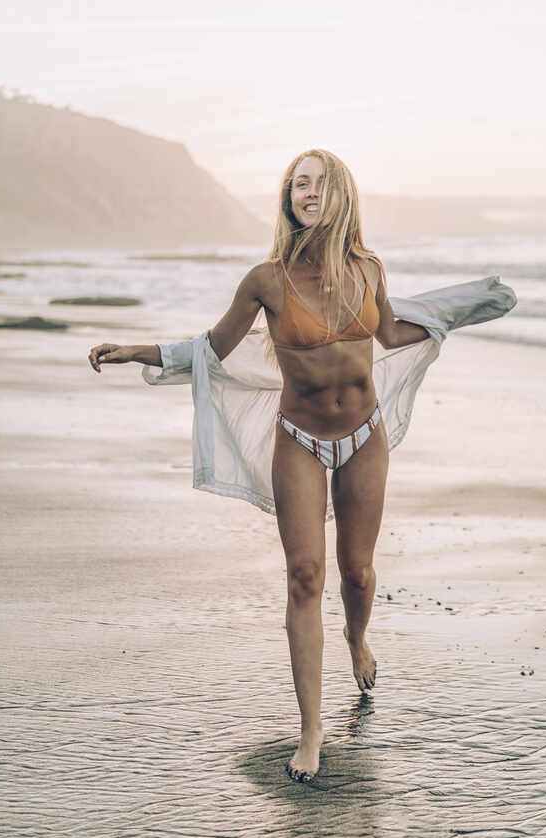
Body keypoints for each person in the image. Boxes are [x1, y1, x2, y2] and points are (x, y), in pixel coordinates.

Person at [89, 148, 517, 784]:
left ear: (340, 192)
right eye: (297, 185)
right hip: (300, 440)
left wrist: (458, 310)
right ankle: (311, 728)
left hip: (364, 436)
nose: (305, 193)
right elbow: (214, 348)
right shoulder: (267, 279)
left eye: (317, 184)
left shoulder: (368, 268)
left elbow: (394, 335)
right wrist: (138, 351)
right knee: (304, 576)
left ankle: (356, 638)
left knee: (359, 572)